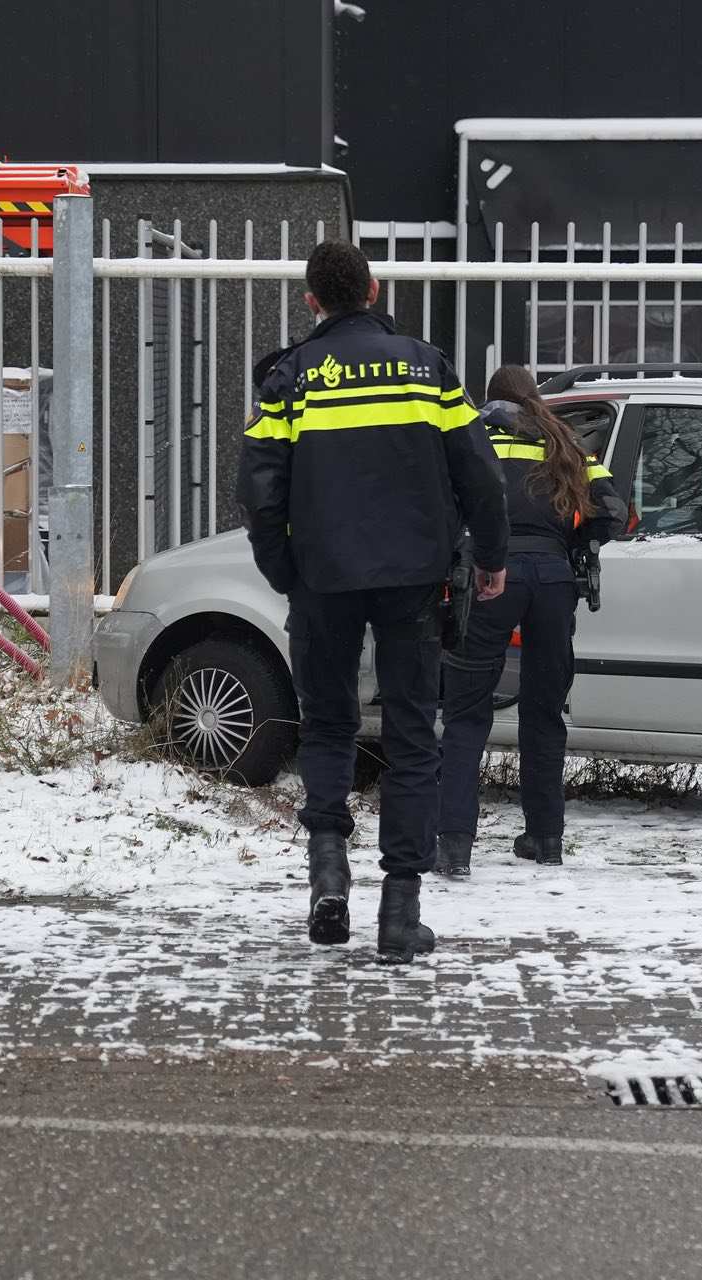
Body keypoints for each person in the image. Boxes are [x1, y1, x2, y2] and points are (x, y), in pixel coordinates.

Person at [236, 241, 509, 964]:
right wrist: (493, 555)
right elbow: (479, 470)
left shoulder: (290, 377)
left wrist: (283, 568)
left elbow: (259, 488)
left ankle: (328, 872)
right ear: (376, 289)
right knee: (414, 737)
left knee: (326, 725)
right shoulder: (426, 367)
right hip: (414, 579)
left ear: (311, 301)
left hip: (322, 578)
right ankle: (400, 911)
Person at [434, 365, 628, 876]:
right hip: (553, 581)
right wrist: (573, 540)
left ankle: (453, 845)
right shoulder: (565, 443)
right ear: (532, 397)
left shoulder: (468, 436)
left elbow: (440, 507)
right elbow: (614, 510)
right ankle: (545, 839)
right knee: (544, 714)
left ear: (490, 397)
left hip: (488, 577)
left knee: (466, 712)